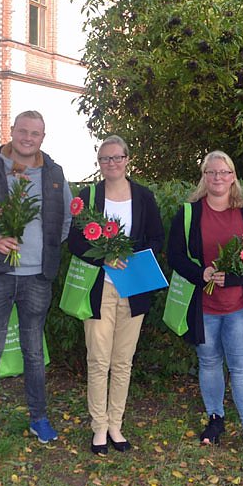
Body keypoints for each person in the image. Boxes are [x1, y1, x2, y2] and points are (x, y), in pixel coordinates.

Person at [0, 110, 72, 451]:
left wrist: (47, 249)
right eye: (23, 131)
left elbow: (66, 219)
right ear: (11, 131)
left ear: (42, 138)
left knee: (34, 352)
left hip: (37, 277)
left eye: (35, 133)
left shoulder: (54, 173)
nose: (28, 138)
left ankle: (39, 418)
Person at [166, 150, 243, 457]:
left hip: (238, 306)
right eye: (211, 172)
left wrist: (236, 278)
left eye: (224, 172)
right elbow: (175, 256)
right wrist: (201, 273)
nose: (218, 178)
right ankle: (215, 419)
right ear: (204, 177)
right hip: (204, 308)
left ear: (233, 176)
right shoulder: (189, 213)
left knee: (242, 367)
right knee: (209, 363)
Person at [67, 136, 165, 455]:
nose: (112, 163)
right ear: (99, 163)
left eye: (117, 157)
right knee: (98, 360)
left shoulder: (143, 196)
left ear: (127, 159)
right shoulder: (89, 196)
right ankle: (98, 426)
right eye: (105, 158)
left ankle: (115, 425)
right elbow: (74, 241)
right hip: (99, 288)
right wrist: (103, 258)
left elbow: (157, 238)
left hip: (133, 287)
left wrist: (133, 258)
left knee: (123, 361)